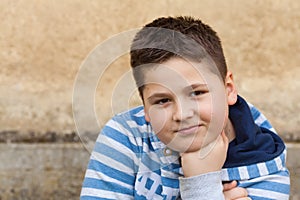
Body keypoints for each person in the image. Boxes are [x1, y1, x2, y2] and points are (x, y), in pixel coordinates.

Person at [80, 16, 290, 199]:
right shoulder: (125, 136)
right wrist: (203, 190)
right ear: (145, 106)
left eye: (197, 93)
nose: (181, 114)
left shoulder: (265, 167)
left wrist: (202, 184)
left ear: (228, 89)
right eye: (162, 101)